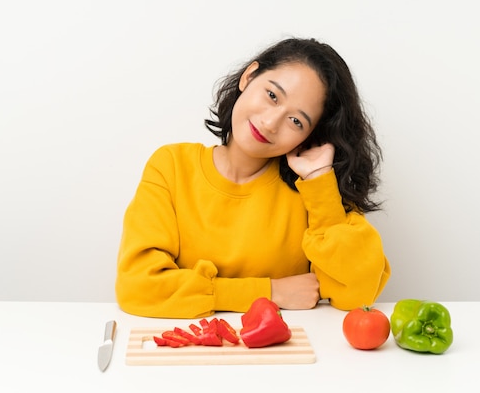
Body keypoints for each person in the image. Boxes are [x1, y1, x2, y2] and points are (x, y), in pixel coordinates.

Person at [115, 37, 391, 318]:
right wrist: (270, 292)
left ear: (311, 136)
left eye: (297, 121)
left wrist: (321, 182)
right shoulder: (171, 166)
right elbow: (137, 286)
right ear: (249, 76)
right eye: (272, 96)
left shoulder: (312, 191)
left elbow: (358, 294)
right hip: (192, 348)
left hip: (283, 355)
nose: (270, 123)